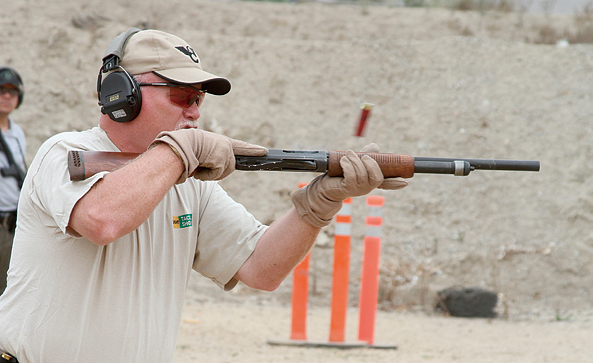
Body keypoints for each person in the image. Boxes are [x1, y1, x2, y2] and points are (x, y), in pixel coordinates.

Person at [0, 28, 407, 363]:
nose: (195, 112)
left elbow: (261, 269)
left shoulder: (187, 182)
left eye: (198, 99)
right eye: (182, 97)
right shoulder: (64, 152)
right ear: (122, 95)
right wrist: (180, 151)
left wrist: (317, 206)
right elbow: (103, 220)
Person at [0, 66, 26, 296]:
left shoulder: (17, 133)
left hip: (10, 223)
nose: (7, 96)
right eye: (1, 90)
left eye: (12, 91)